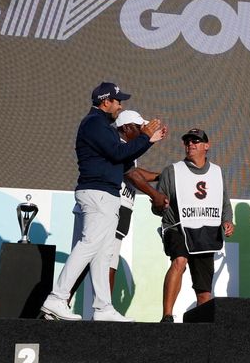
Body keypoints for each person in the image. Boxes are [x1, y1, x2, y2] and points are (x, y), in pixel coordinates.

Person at [41, 82, 166, 322]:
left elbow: (123, 160)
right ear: (105, 101)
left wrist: (149, 140)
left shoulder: (100, 125)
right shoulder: (95, 123)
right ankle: (57, 298)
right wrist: (147, 140)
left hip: (104, 193)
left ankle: (103, 307)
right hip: (98, 192)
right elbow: (119, 154)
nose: (120, 105)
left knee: (103, 253)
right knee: (90, 245)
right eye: (118, 101)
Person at [69, 110, 169, 300]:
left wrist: (162, 175)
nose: (144, 131)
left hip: (119, 207)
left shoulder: (127, 148)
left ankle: (101, 309)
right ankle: (63, 302)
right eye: (140, 128)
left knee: (109, 259)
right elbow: (131, 175)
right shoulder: (118, 146)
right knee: (89, 259)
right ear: (126, 128)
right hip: (104, 205)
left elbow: (135, 171)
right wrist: (155, 194)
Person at [156, 128, 234, 322]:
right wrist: (159, 206)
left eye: (196, 141)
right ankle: (167, 316)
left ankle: (203, 329)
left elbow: (224, 201)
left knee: (204, 291)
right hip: (177, 227)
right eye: (187, 141)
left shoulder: (217, 172)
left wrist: (227, 221)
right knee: (179, 261)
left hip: (205, 232)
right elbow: (158, 205)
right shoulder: (172, 171)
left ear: (206, 146)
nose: (190, 144)